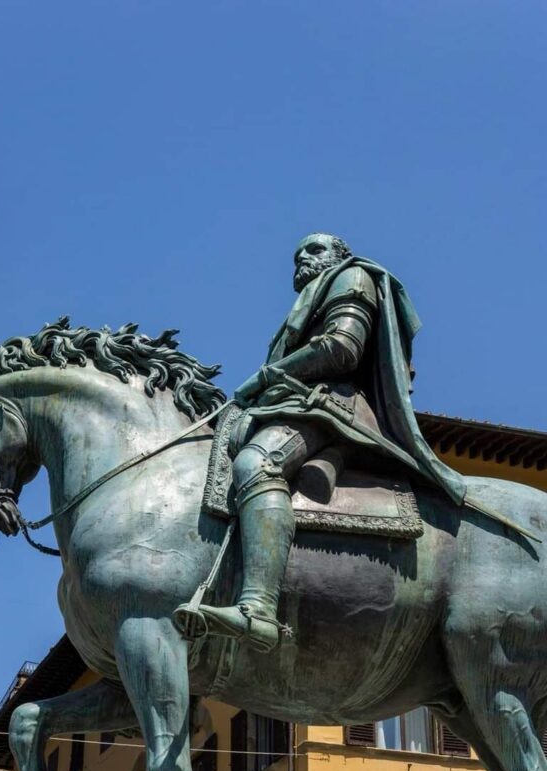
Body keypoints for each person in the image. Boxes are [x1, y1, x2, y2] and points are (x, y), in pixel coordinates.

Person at [183, 232, 466, 652]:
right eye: (296, 254)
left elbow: (342, 348)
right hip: (297, 405)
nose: (301, 258)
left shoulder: (352, 277)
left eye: (313, 250)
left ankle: (258, 608)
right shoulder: (313, 294)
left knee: (257, 464)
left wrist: (266, 376)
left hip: (330, 408)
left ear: (338, 254)